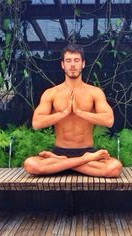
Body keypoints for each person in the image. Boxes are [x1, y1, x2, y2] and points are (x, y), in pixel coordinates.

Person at [23, 44, 123, 177]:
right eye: (68, 61)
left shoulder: (94, 92)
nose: (72, 65)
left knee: (114, 168)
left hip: (85, 149)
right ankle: (81, 161)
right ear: (63, 65)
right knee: (30, 165)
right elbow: (36, 123)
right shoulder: (51, 93)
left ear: (83, 64)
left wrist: (79, 112)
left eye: (76, 60)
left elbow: (109, 120)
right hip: (61, 151)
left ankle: (62, 164)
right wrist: (63, 113)